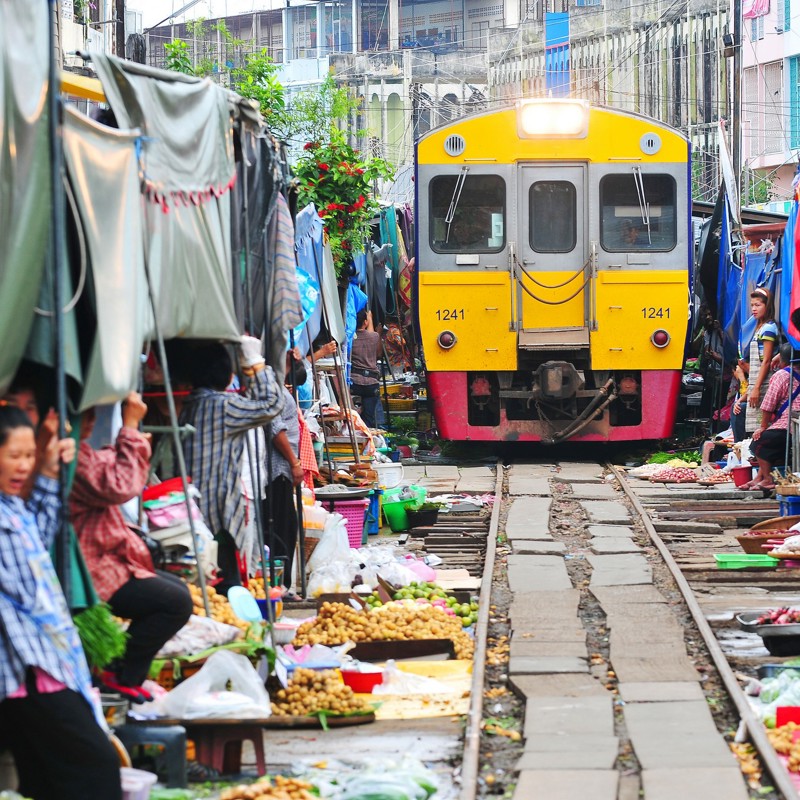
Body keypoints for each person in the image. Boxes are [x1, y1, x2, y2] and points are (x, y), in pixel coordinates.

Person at [0, 406, 122, 800]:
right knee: (95, 766)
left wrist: (49, 470)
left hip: (43, 664)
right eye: (14, 456)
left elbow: (41, 528)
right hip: (28, 669)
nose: (23, 467)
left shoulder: (12, 505)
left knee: (46, 779)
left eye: (28, 456)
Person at [70, 391, 193, 701]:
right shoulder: (67, 457)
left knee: (175, 592)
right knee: (174, 602)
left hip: (104, 559)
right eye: (84, 417)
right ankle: (120, 671)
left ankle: (122, 669)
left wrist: (131, 437)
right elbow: (120, 484)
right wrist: (131, 426)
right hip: (87, 568)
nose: (90, 423)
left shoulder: (77, 453)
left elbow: (106, 466)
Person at [180, 337, 284, 592]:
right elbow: (271, 405)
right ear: (226, 376)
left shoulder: (191, 405)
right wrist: (255, 363)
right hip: (219, 509)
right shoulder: (222, 406)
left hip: (193, 508)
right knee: (227, 582)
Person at [262, 352, 306, 591]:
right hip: (276, 468)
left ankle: (281, 585)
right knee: (281, 529)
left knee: (285, 527)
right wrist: (294, 463)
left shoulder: (275, 382)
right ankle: (279, 586)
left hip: (281, 469)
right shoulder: (270, 384)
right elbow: (274, 427)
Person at [743, 344, 800, 490]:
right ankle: (759, 478)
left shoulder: (782, 375)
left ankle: (768, 479)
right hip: (794, 427)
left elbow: (768, 405)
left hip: (788, 428)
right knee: (768, 439)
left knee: (758, 442)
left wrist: (762, 427)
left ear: (783, 359)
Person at [741, 287, 779, 435]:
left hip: (763, 385)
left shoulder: (769, 328)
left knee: (760, 427)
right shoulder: (760, 328)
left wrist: (756, 388)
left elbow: (767, 361)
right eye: (752, 305)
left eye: (758, 305)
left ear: (767, 305)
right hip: (757, 382)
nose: (754, 309)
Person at [350, 309, 386, 429]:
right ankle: (367, 440)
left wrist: (368, 319)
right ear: (365, 322)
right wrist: (370, 319)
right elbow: (379, 353)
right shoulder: (374, 336)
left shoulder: (350, 339)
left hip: (354, 383)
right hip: (371, 384)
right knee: (369, 418)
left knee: (353, 416)